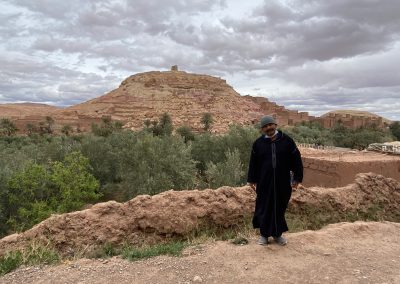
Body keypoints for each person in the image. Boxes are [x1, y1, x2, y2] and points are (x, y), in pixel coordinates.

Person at [247, 115, 303, 246]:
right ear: (262, 129)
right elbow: (253, 163)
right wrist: (252, 179)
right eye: (265, 126)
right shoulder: (258, 144)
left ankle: (278, 234)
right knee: (264, 207)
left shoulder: (287, 141)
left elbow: (296, 160)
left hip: (283, 181)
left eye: (270, 125)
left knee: (279, 207)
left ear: (275, 125)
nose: (268, 128)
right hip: (264, 182)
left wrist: (297, 178)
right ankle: (264, 235)